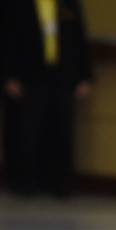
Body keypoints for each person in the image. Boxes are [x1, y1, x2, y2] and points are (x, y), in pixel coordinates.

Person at [1, 0, 94, 198]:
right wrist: (7, 76)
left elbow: (79, 37)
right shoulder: (15, 4)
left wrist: (85, 76)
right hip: (29, 76)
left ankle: (59, 182)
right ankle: (25, 182)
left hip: (63, 75)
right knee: (27, 132)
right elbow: (5, 38)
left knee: (62, 129)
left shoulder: (68, 4)